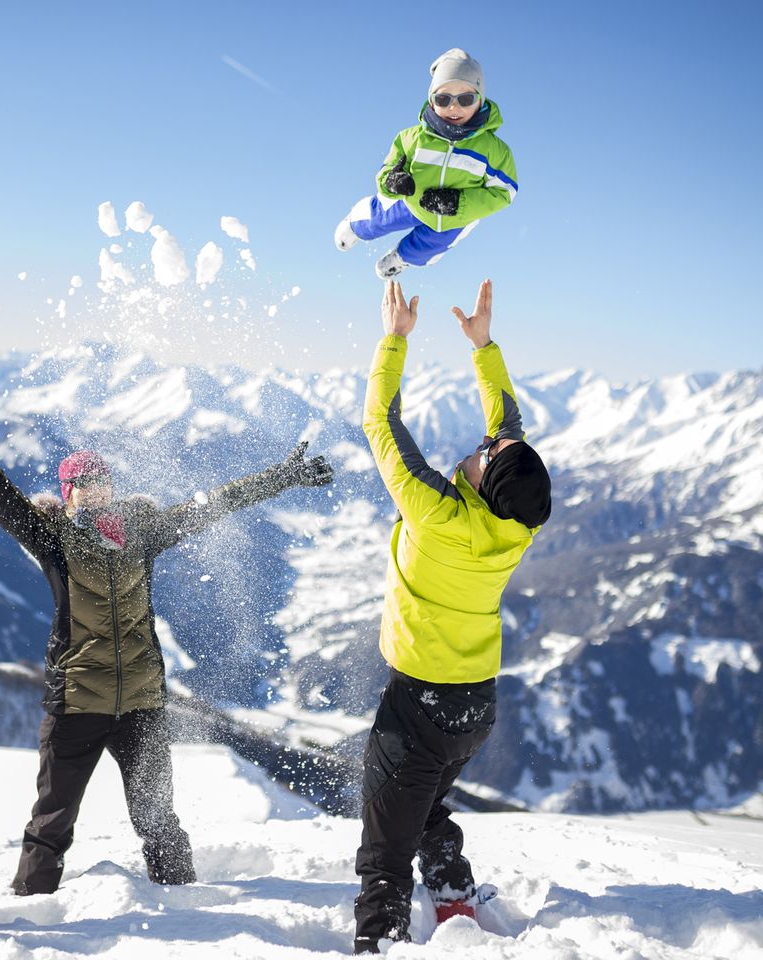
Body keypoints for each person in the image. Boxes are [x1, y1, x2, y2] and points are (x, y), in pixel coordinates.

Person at [0, 364, 334, 894]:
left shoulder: (140, 530)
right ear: (68, 493)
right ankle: (33, 913)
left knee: (158, 821)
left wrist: (279, 478)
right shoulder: (51, 535)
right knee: (51, 822)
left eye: (101, 478)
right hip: (78, 702)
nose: (95, 489)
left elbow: (210, 505)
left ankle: (186, 908)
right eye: (82, 483)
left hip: (141, 704)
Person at [353, 279, 551, 954]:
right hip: (474, 710)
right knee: (424, 804)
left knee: (383, 845)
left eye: (485, 454)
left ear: (483, 482)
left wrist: (395, 339)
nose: (484, 442)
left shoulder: (435, 509)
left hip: (420, 706)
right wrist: (483, 347)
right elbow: (511, 430)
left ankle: (376, 942)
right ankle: (455, 904)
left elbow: (380, 423)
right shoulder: (515, 526)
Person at [334, 49, 518, 280]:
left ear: (480, 100)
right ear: (431, 101)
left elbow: (505, 192)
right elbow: (387, 169)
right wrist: (392, 182)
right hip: (413, 201)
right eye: (443, 99)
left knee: (428, 248)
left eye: (465, 99)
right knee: (380, 218)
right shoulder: (411, 139)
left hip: (457, 217)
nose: (454, 107)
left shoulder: (495, 151)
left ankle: (401, 259)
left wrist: (458, 204)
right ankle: (354, 225)